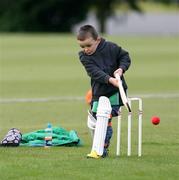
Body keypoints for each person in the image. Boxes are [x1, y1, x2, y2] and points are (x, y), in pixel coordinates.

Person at [77, 25, 131, 158]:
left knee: (105, 120)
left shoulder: (112, 48)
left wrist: (121, 69)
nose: (85, 49)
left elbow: (125, 57)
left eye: (88, 45)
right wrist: (110, 79)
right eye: (82, 46)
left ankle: (102, 149)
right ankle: (99, 145)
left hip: (115, 93)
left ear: (98, 40)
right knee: (96, 122)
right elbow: (95, 73)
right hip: (99, 93)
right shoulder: (84, 57)